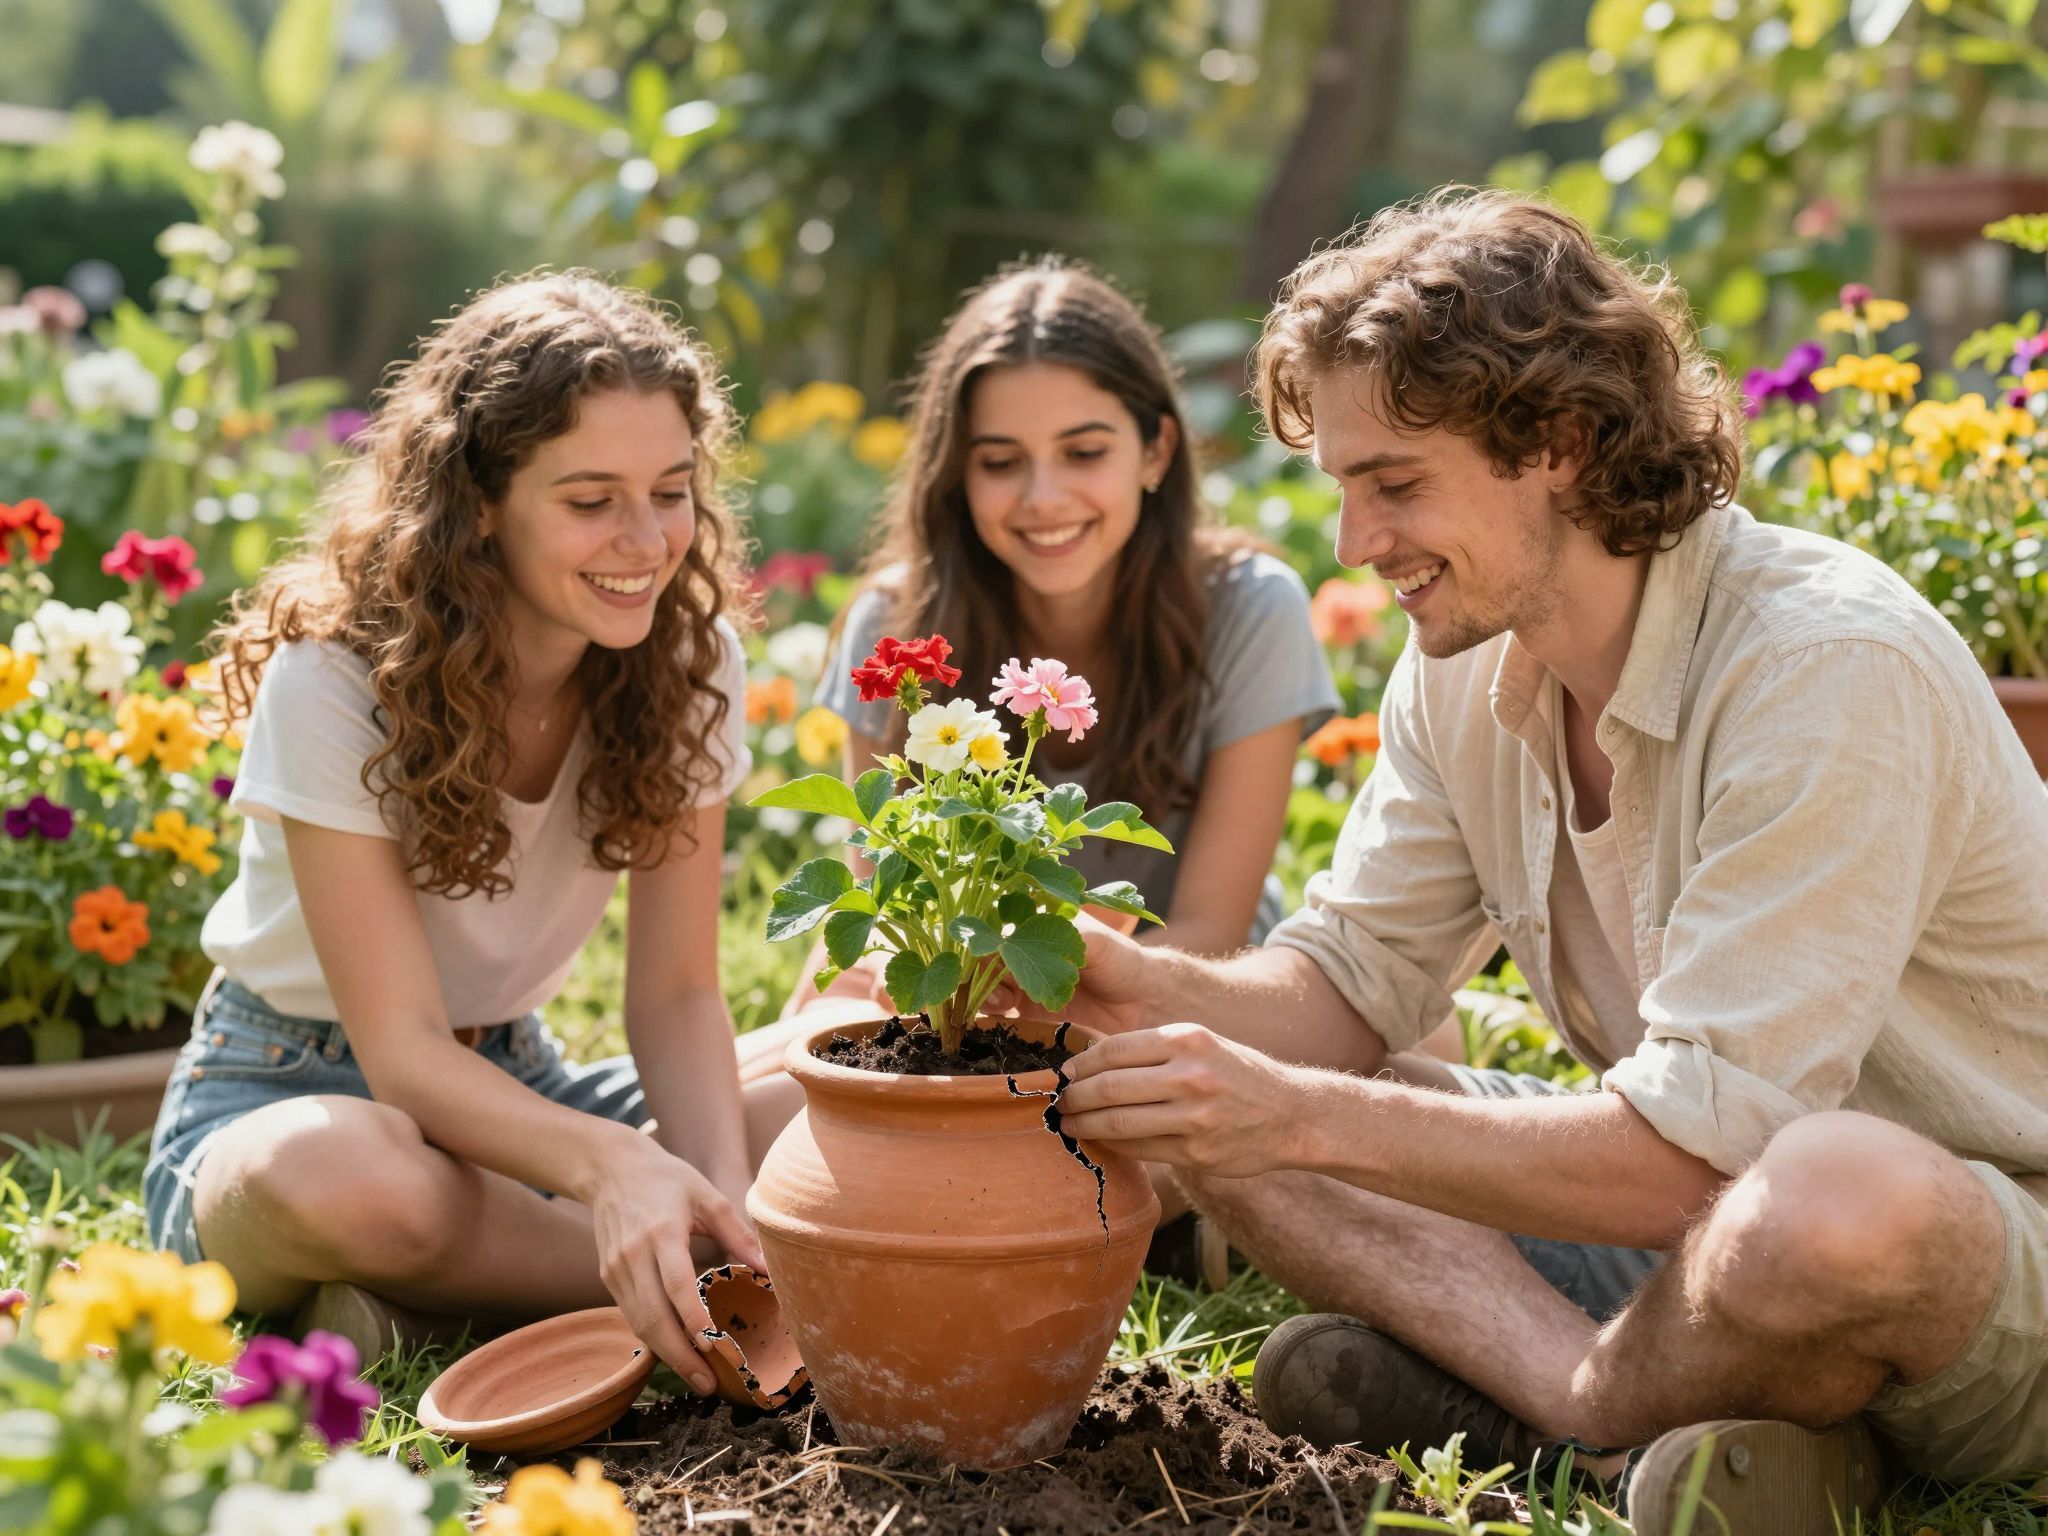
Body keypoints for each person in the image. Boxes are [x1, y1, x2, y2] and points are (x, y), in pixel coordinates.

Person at [1025, 190, 2048, 1535]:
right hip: (1703, 1231)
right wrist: (1118, 981)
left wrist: (1287, 1113)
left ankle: (1575, 1413)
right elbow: (1345, 987)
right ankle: (1657, 1428)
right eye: (1343, 489)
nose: (1356, 545)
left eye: (1396, 485)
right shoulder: (1469, 662)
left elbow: (1692, 1161)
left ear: (1558, 443)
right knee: (1194, 1083)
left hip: (1964, 1245)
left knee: (1829, 1193)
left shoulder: (1824, 667)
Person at [143, 272, 786, 1398]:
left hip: (513, 1087)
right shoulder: (336, 678)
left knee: (832, 1087)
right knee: (347, 1178)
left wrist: (727, 1204)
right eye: (590, 501)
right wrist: (616, 1170)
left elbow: (678, 996)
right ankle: (666, 1284)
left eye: (671, 491)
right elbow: (400, 1053)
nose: (646, 540)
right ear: (478, 501)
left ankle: (460, 1293)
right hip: (285, 1088)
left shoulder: (690, 662)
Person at [807, 257, 1340, 971]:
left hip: (1193, 990)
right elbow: (884, 912)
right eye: (1000, 462)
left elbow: (1212, 930)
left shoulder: (1253, 607)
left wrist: (1015, 987)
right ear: (957, 474)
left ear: (1156, 451)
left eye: (1084, 452)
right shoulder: (894, 624)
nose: (1044, 498)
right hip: (962, 1006)